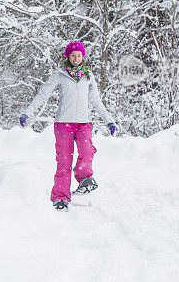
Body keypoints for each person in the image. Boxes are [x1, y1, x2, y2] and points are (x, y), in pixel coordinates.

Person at [19, 41, 117, 211]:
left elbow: (95, 100)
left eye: (79, 55)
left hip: (84, 123)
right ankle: (60, 197)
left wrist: (109, 120)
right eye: (73, 55)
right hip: (63, 124)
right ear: (68, 56)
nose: (76, 58)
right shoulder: (60, 75)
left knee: (87, 151)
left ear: (83, 57)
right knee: (63, 161)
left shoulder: (88, 75)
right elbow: (43, 94)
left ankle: (84, 178)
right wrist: (28, 112)